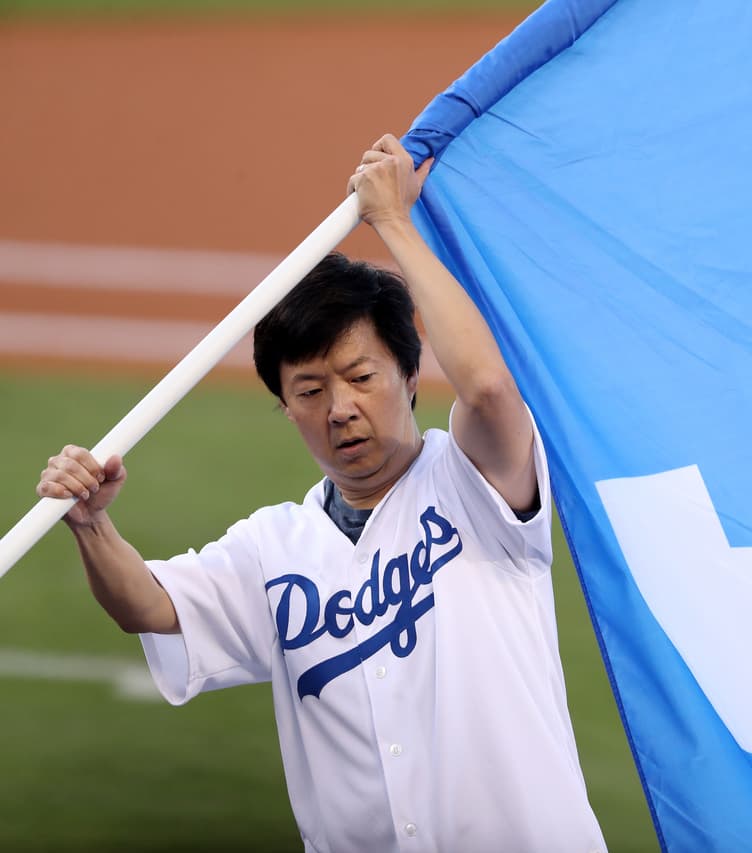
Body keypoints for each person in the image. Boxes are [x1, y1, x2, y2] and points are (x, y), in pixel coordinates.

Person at [36, 135, 607, 853]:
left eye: (361, 377)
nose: (340, 408)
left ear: (408, 375)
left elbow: (491, 388)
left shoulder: (474, 482)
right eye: (310, 389)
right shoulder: (271, 548)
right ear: (286, 407)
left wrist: (393, 221)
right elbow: (146, 605)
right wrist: (92, 526)